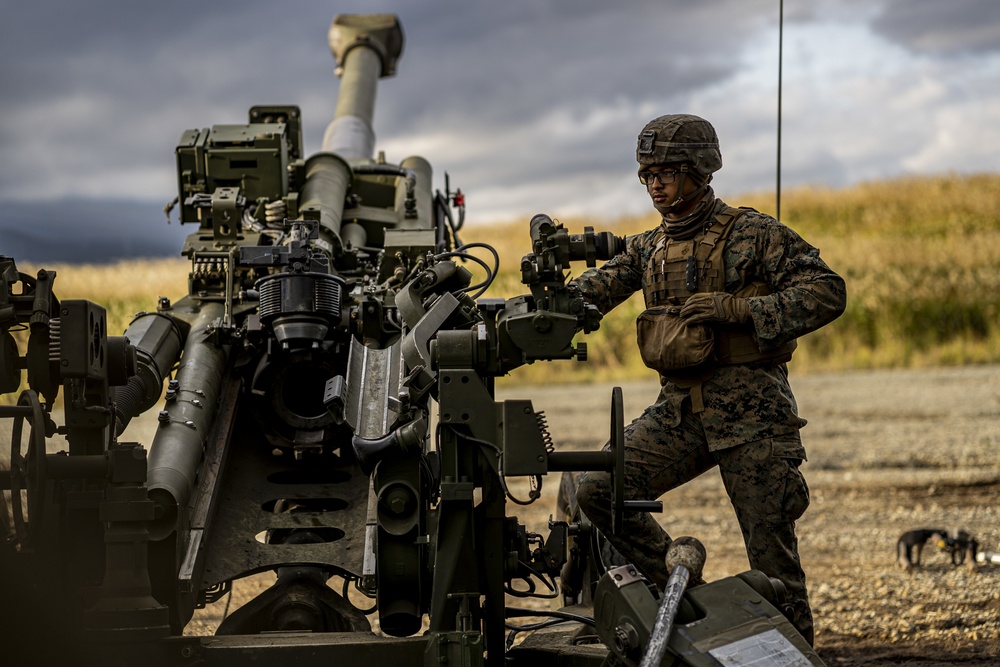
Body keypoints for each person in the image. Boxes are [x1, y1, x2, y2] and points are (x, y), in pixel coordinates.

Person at [574, 113, 846, 645]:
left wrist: (740, 312)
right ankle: (689, 596)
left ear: (700, 171)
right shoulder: (648, 248)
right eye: (647, 174)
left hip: (754, 420)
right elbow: (594, 291)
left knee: (775, 568)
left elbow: (827, 291)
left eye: (667, 172)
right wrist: (545, 307)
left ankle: (792, 653)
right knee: (599, 488)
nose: (655, 183)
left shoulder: (754, 234)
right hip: (679, 413)